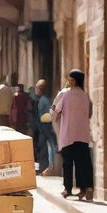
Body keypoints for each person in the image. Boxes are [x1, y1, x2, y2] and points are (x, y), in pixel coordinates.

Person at [51, 68, 94, 201]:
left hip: (68, 134)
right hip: (82, 135)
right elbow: (90, 113)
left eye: (71, 80)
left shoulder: (65, 94)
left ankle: (68, 189)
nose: (69, 82)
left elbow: (56, 111)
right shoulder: (85, 96)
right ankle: (86, 188)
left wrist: (54, 114)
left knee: (68, 163)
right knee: (83, 163)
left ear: (75, 81)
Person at [34, 79, 57, 175]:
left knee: (46, 150)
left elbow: (47, 116)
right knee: (45, 150)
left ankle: (47, 168)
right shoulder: (43, 100)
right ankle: (45, 168)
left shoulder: (44, 100)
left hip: (45, 129)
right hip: (44, 129)